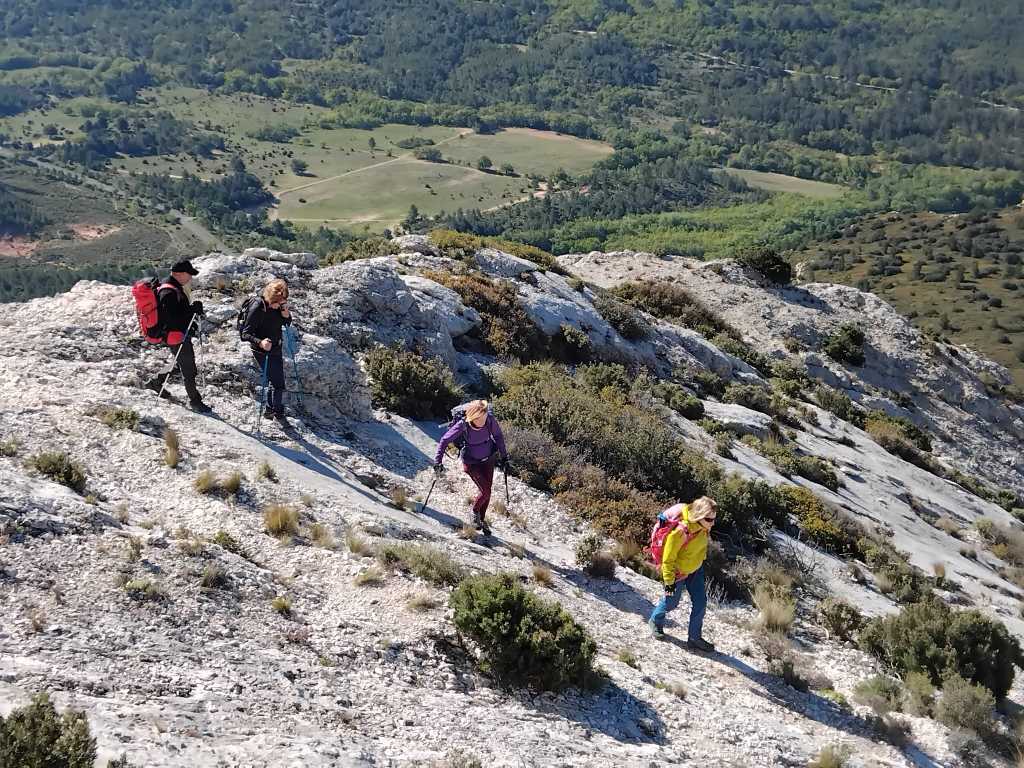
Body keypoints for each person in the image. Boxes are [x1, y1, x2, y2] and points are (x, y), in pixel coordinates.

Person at [648, 496, 718, 651]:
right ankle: (655, 621)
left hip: (695, 570)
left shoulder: (703, 528)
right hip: (676, 573)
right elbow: (667, 561)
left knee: (700, 603)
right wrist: (669, 583)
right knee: (671, 602)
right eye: (709, 519)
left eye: (714, 519)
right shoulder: (680, 532)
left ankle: (694, 638)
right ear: (699, 517)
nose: (712, 523)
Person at [433, 400, 509, 535]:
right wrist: (438, 461)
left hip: (488, 459)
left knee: (487, 491)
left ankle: (481, 520)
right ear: (475, 416)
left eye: (486, 413)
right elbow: (444, 440)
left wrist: (504, 457)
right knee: (485, 491)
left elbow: (498, 436)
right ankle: (474, 512)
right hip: (471, 463)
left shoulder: (490, 420)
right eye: (483, 415)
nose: (486, 416)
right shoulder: (463, 425)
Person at [144, 259, 211, 413]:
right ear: (178, 274)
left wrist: (191, 310)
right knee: (189, 369)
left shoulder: (174, 287)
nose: (190, 278)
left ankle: (156, 381)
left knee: (181, 363)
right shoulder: (168, 291)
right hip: (175, 335)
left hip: (178, 334)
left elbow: (178, 312)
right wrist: (192, 310)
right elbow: (171, 318)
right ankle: (195, 401)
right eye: (189, 274)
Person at [239, 278, 292, 425]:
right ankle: (278, 413)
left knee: (273, 380)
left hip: (276, 348)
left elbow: (286, 322)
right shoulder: (258, 307)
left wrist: (286, 315)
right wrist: (260, 342)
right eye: (277, 303)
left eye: (282, 302)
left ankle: (269, 410)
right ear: (270, 297)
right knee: (278, 383)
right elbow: (245, 334)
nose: (279, 306)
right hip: (262, 351)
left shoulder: (279, 306)